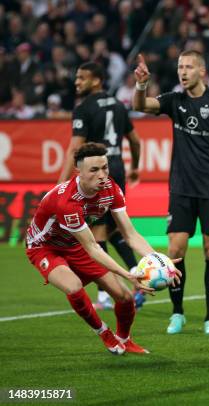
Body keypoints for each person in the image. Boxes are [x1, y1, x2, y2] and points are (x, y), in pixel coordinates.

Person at [25, 143, 180, 354]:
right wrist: (127, 273)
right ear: (79, 171)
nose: (102, 175)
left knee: (125, 297)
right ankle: (103, 332)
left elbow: (130, 234)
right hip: (45, 248)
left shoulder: (111, 188)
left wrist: (162, 261)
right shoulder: (67, 202)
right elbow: (93, 248)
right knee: (73, 286)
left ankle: (124, 340)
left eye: (105, 168)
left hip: (75, 244)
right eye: (94, 170)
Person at [132, 51, 209, 335]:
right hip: (181, 188)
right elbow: (140, 105)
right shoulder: (174, 100)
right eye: (180, 66)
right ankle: (177, 313)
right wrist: (141, 84)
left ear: (202, 71)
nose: (183, 71)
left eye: (189, 66)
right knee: (175, 251)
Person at [58, 61, 144, 311]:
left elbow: (75, 148)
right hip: (116, 167)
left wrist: (60, 184)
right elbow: (135, 141)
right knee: (115, 231)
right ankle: (138, 277)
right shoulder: (118, 105)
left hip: (96, 171)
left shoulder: (84, 108)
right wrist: (135, 166)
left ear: (96, 80)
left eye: (82, 78)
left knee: (96, 235)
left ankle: (107, 294)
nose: (77, 82)